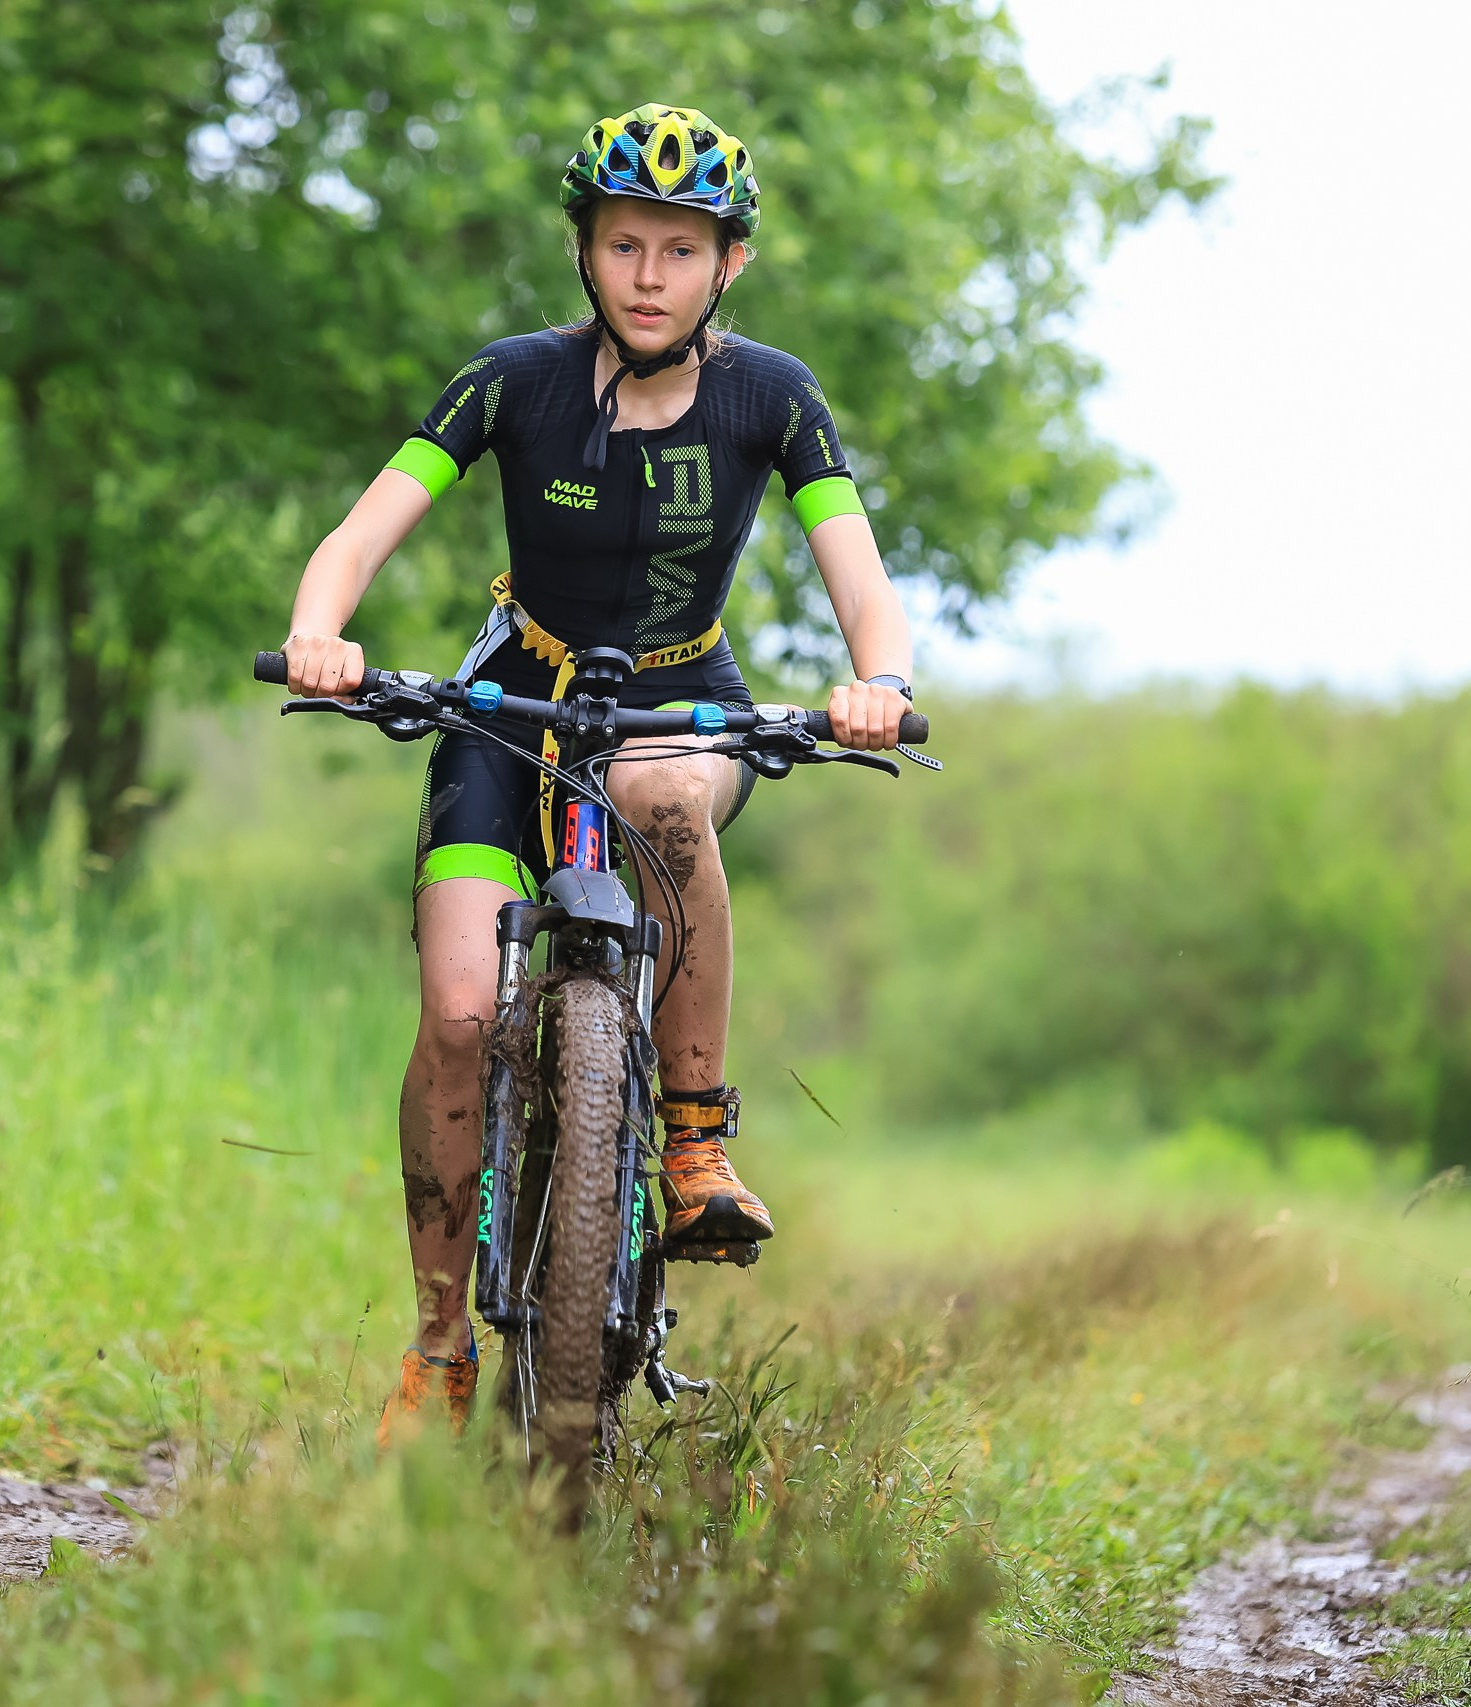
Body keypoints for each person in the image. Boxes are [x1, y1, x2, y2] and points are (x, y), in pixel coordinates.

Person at [278, 104, 915, 1443]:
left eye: (679, 250)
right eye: (624, 243)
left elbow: (858, 572)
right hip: (511, 692)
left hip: (683, 697)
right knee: (458, 1014)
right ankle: (441, 1344)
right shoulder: (511, 380)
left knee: (665, 796)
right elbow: (363, 526)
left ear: (727, 264)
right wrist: (321, 633)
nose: (647, 274)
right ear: (585, 247)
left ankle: (691, 1137)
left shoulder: (771, 397)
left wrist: (879, 683)